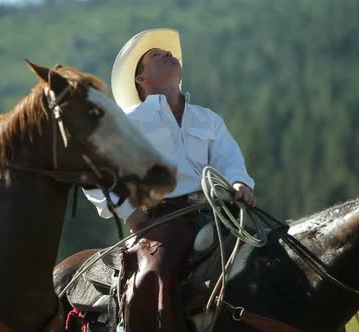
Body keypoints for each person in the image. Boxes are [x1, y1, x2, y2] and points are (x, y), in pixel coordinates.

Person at [83, 28, 256, 331]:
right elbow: (93, 174)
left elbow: (230, 162)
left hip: (220, 214)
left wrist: (240, 183)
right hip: (162, 222)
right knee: (154, 274)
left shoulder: (209, 119)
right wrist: (132, 216)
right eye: (155, 55)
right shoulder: (127, 122)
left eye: (168, 52)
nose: (167, 53)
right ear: (140, 79)